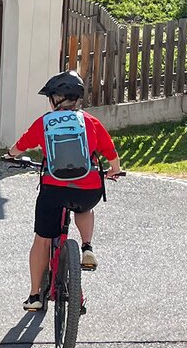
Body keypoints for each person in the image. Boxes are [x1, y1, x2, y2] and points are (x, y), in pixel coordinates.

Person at [6, 70, 121, 312]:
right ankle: (87, 247)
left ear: (56, 99)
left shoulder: (45, 122)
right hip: (88, 189)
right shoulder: (89, 122)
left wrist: (11, 154)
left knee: (42, 239)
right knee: (84, 207)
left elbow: (21, 145)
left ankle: (35, 295)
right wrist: (114, 170)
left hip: (54, 190)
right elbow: (111, 153)